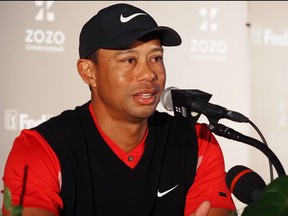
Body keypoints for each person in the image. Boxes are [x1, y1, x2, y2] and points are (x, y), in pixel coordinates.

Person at [2, 3, 236, 216]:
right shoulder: (39, 148)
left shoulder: (197, 142)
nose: (149, 74)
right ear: (88, 72)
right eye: (129, 60)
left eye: (156, 58)